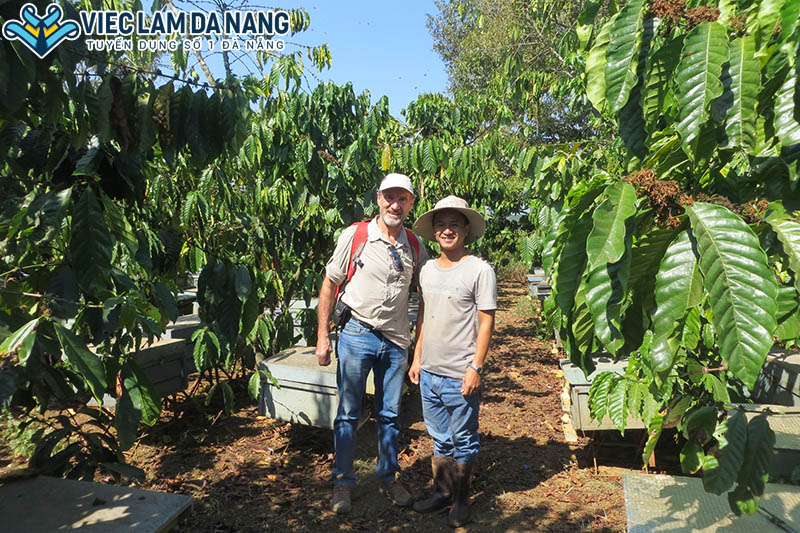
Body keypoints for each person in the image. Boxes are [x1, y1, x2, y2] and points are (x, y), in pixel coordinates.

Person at [316, 173, 428, 515]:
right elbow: (329, 284)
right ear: (378, 199)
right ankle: (342, 483)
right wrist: (322, 336)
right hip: (356, 335)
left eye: (403, 199)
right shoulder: (357, 235)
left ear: (411, 204)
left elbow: (428, 294)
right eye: (389, 197)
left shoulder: (414, 244)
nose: (395, 204)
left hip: (395, 341)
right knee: (348, 413)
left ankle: (388, 477)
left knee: (391, 414)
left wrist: (418, 349)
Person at [408, 195, 496, 527]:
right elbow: (424, 317)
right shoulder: (427, 270)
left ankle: (461, 500)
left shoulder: (479, 270)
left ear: (466, 229)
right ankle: (441, 492)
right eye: (441, 225)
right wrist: (417, 358)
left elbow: (486, 321)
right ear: (434, 231)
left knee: (464, 439)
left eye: (454, 224)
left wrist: (475, 367)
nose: (447, 230)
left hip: (461, 374)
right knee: (440, 437)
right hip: (430, 372)